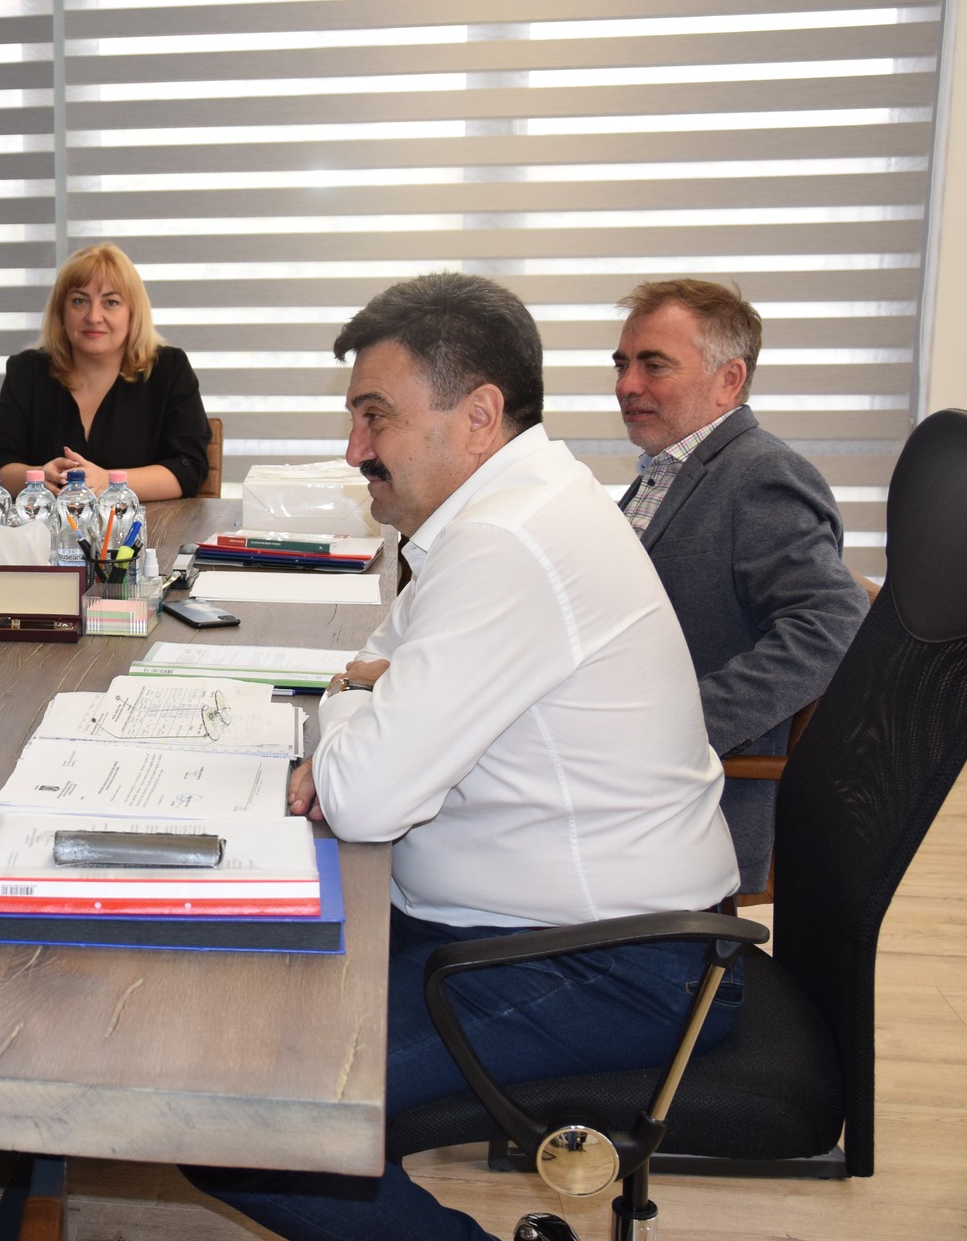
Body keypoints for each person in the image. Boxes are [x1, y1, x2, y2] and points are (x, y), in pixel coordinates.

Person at [183, 273, 739, 1241]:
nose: (354, 449)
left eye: (375, 417)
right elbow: (374, 672)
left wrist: (353, 703)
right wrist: (364, 699)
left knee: (239, 1115)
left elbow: (360, 790)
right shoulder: (503, 511)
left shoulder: (510, 542)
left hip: (617, 963)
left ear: (478, 416)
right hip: (543, 927)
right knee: (230, 995)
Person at [614, 279, 870, 893]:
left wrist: (681, 729)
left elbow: (832, 626)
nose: (627, 385)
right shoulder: (666, 471)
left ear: (729, 380)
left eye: (654, 365)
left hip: (680, 801)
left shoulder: (759, 476)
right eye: (622, 364)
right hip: (627, 774)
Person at [0, 242, 209, 499]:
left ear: (133, 312)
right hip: (49, 523)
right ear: (61, 311)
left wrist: (108, 482)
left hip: (148, 523)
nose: (93, 316)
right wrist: (38, 477)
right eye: (79, 301)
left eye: (111, 302)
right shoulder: (26, 371)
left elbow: (189, 469)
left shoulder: (168, 369)